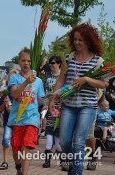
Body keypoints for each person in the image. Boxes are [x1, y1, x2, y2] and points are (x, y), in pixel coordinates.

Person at [49, 23, 108, 175]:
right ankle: (72, 163)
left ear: (88, 41)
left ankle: (76, 171)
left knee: (80, 141)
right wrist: (52, 99)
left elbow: (103, 83)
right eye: (75, 39)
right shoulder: (68, 58)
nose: (77, 42)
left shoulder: (98, 61)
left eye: (80, 40)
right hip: (68, 105)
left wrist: (86, 79)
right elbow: (61, 80)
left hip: (87, 107)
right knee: (64, 141)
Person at [7, 47, 45, 175]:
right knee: (16, 148)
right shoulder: (14, 78)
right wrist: (25, 83)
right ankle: (18, 167)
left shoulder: (38, 81)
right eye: (23, 60)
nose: (26, 63)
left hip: (32, 118)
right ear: (19, 62)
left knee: (26, 146)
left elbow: (40, 99)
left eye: (28, 61)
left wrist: (48, 102)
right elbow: (15, 95)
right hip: (17, 118)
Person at [41, 56, 63, 168]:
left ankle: (62, 158)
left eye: (53, 63)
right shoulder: (48, 77)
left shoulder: (63, 77)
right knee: (49, 134)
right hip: (50, 107)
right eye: (50, 63)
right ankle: (47, 161)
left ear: (59, 64)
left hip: (60, 108)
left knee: (58, 138)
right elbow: (46, 92)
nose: (51, 65)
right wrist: (45, 104)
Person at [0, 69, 17, 170]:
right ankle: (5, 161)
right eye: (10, 78)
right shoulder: (6, 93)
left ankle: (19, 162)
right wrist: (5, 104)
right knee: (6, 139)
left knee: (17, 143)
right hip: (8, 121)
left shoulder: (20, 93)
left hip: (19, 122)